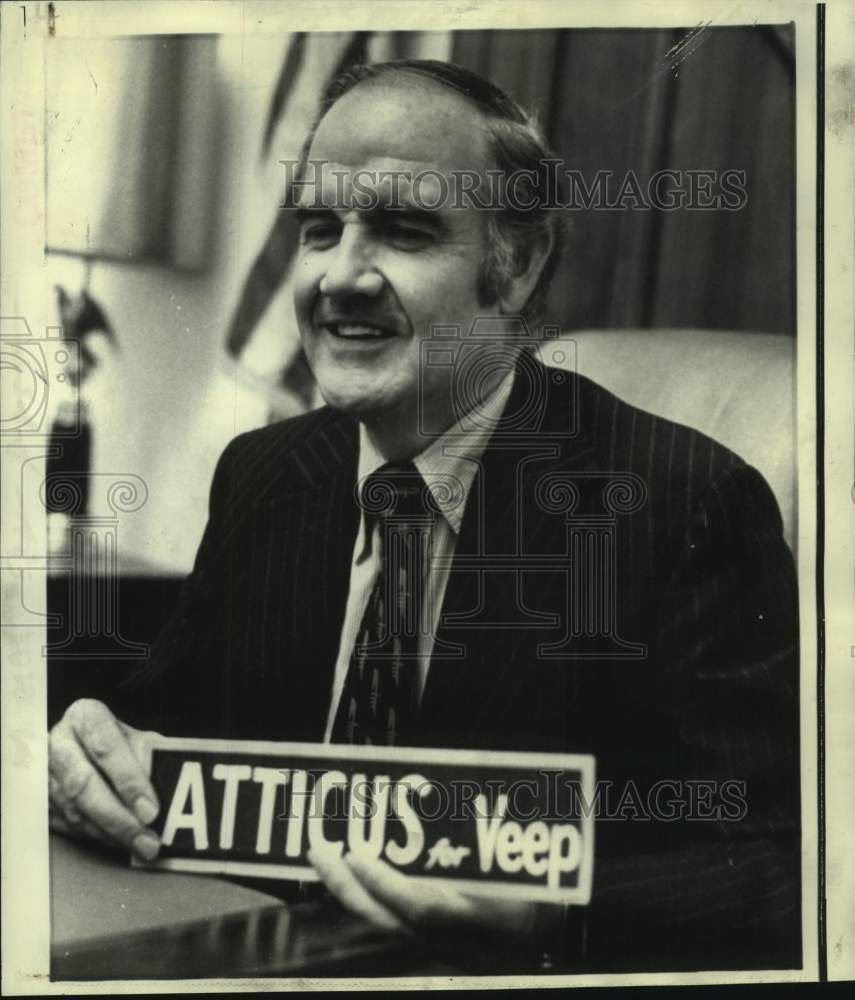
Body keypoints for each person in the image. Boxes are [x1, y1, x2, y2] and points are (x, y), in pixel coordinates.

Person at [48, 60, 800, 973]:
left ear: (515, 265)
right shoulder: (267, 471)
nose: (341, 277)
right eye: (319, 229)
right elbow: (162, 735)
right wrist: (94, 757)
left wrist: (554, 912)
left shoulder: (682, 504)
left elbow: (774, 871)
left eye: (403, 231)